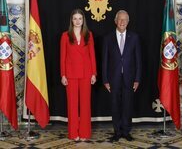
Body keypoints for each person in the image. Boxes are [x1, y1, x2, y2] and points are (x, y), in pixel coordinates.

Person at [102, 10, 142, 142]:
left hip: (129, 78)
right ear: (115, 21)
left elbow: (138, 60)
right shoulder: (108, 38)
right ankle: (117, 132)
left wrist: (137, 79)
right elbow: (105, 60)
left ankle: (126, 131)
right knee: (115, 105)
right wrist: (105, 79)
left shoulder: (134, 37)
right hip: (113, 79)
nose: (122, 22)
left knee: (127, 105)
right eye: (120, 19)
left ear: (128, 22)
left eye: (125, 20)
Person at [60, 8, 97, 141]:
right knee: (72, 105)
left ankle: (85, 133)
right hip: (70, 74)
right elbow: (62, 57)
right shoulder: (65, 35)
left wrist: (94, 73)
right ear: (71, 20)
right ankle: (73, 133)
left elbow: (92, 55)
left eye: (80, 18)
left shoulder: (89, 35)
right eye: (75, 18)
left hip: (86, 74)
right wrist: (63, 75)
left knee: (85, 104)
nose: (77, 21)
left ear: (83, 20)